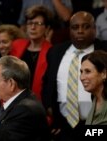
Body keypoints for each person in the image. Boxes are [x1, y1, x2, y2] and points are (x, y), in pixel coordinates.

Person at [42, 11, 107, 141]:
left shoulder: (105, 50)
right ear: (69, 30)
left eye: (86, 26)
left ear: (94, 29)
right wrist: (51, 112)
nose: (80, 31)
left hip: (97, 124)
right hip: (63, 125)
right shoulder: (55, 51)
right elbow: (47, 83)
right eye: (75, 27)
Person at [10, 5, 53, 101]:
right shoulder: (16, 46)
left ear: (46, 28)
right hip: (15, 101)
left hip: (38, 103)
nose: (33, 27)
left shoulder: (52, 52)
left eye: (38, 23)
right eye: (30, 23)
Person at [80, 50, 107, 125]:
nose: (82, 77)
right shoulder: (95, 98)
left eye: (87, 71)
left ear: (104, 74)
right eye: (81, 72)